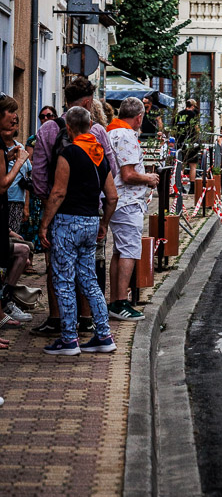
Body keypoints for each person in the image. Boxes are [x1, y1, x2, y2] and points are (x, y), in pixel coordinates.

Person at [31, 77, 118, 335]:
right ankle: (91, 322)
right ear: (89, 103)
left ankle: (59, 323)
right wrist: (103, 218)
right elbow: (110, 174)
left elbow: (39, 176)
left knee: (58, 271)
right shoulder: (99, 133)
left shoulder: (47, 130)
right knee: (88, 271)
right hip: (92, 213)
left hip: (60, 212)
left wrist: (46, 213)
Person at [107, 97, 159, 321]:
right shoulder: (126, 135)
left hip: (117, 200)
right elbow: (127, 175)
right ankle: (120, 302)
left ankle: (115, 300)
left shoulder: (111, 132)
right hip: (127, 201)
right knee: (129, 250)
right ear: (139, 117)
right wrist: (148, 177)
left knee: (119, 251)